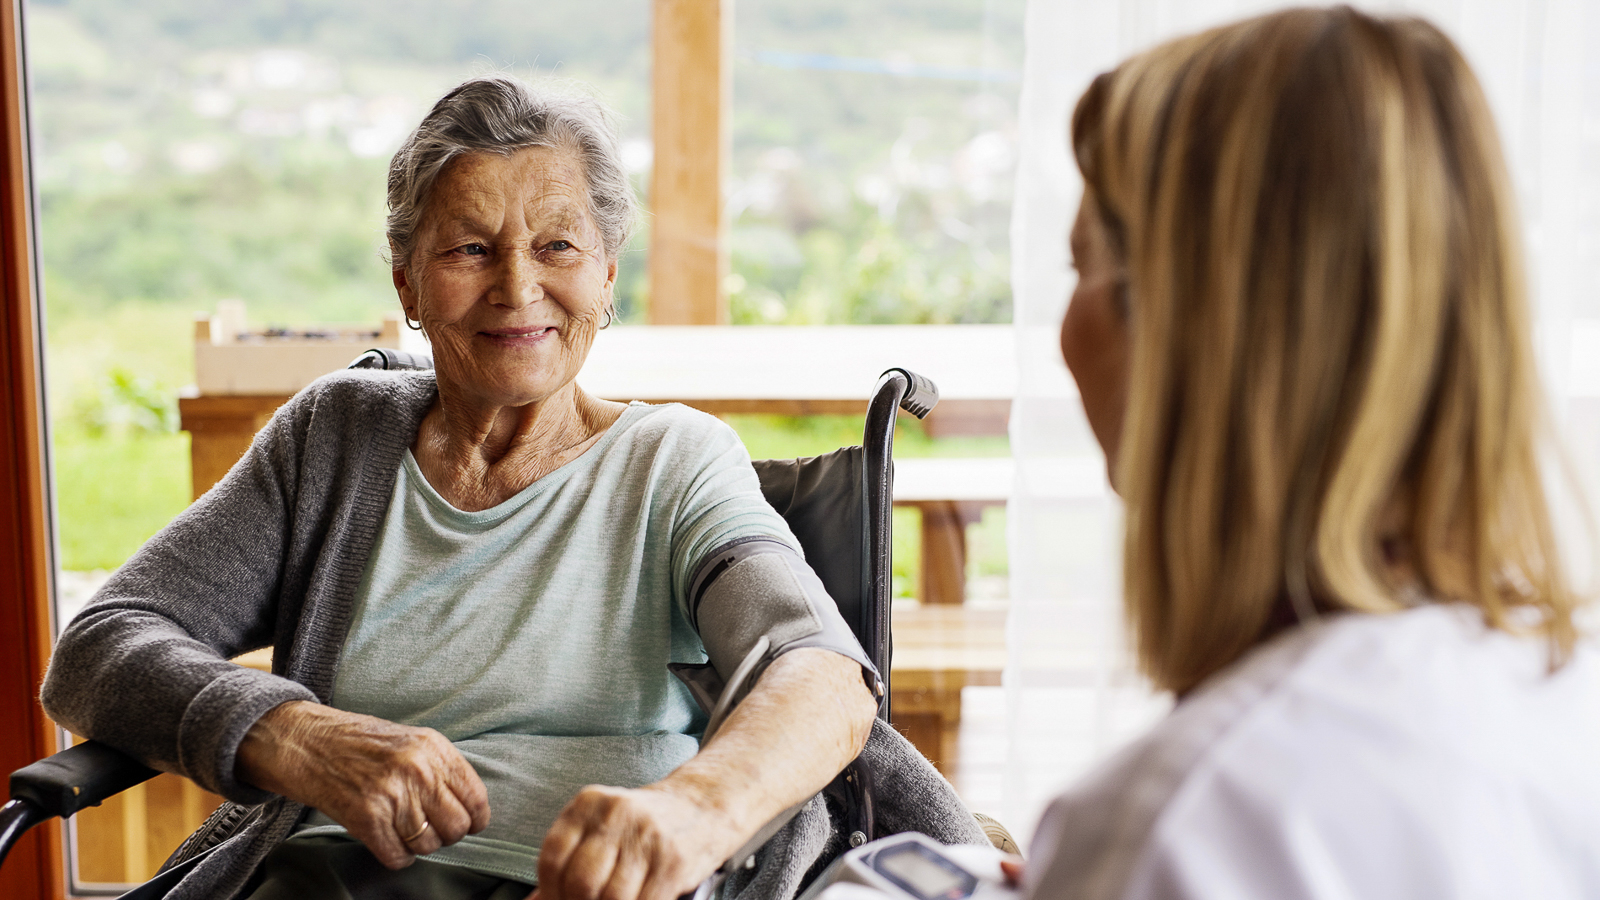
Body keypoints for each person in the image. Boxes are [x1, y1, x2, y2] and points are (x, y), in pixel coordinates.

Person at [40, 75, 982, 900]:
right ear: (408, 283)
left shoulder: (673, 461)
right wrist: (295, 737)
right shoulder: (335, 437)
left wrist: (693, 813)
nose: (517, 287)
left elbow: (818, 674)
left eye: (559, 247)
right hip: (331, 877)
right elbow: (98, 644)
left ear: (608, 278)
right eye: (469, 250)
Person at [1026, 6, 1600, 899]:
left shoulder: (1181, 824)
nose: (1063, 331)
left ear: (1187, 332)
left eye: (1079, 270)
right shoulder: (1564, 700)